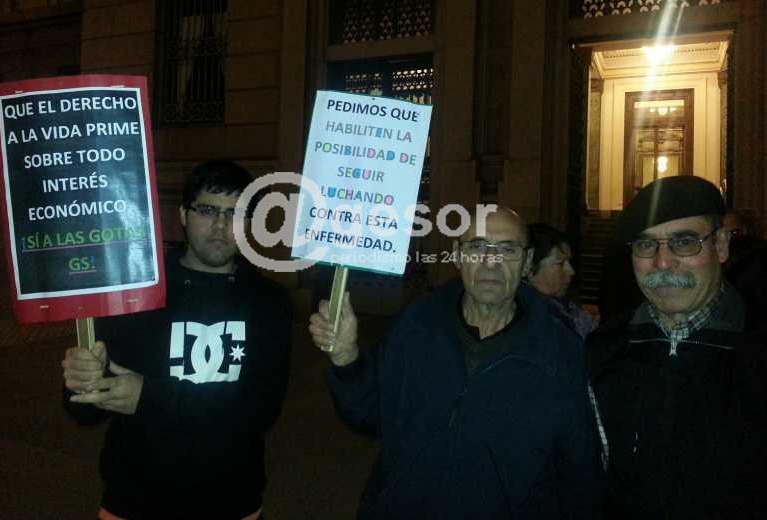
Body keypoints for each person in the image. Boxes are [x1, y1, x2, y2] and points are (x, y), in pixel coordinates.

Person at [309, 207, 601, 519]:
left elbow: (580, 471)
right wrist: (347, 359)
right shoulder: (416, 325)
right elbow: (371, 416)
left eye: (507, 249)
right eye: (477, 247)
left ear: (527, 262)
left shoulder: (559, 351)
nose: (491, 262)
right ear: (458, 256)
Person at [62, 160, 292, 520]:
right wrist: (81, 381)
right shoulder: (136, 296)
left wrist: (148, 397)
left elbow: (258, 411)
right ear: (183, 214)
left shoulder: (269, 304)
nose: (220, 226)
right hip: (134, 501)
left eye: (234, 214)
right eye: (207, 210)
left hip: (232, 500)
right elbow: (86, 410)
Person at [586, 175, 767, 519]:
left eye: (684, 242)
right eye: (646, 245)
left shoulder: (755, 353)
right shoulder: (603, 352)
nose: (663, 262)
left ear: (721, 245)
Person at [526, 222, 598, 339]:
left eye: (568, 262)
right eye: (560, 263)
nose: (571, 271)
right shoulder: (534, 320)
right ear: (529, 267)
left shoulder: (564, 308)